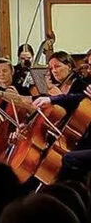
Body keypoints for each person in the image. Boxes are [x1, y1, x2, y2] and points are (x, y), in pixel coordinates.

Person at [32, 52, 91, 181]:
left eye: (57, 66)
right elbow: (79, 98)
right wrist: (51, 99)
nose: (89, 70)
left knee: (69, 158)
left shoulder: (80, 84)